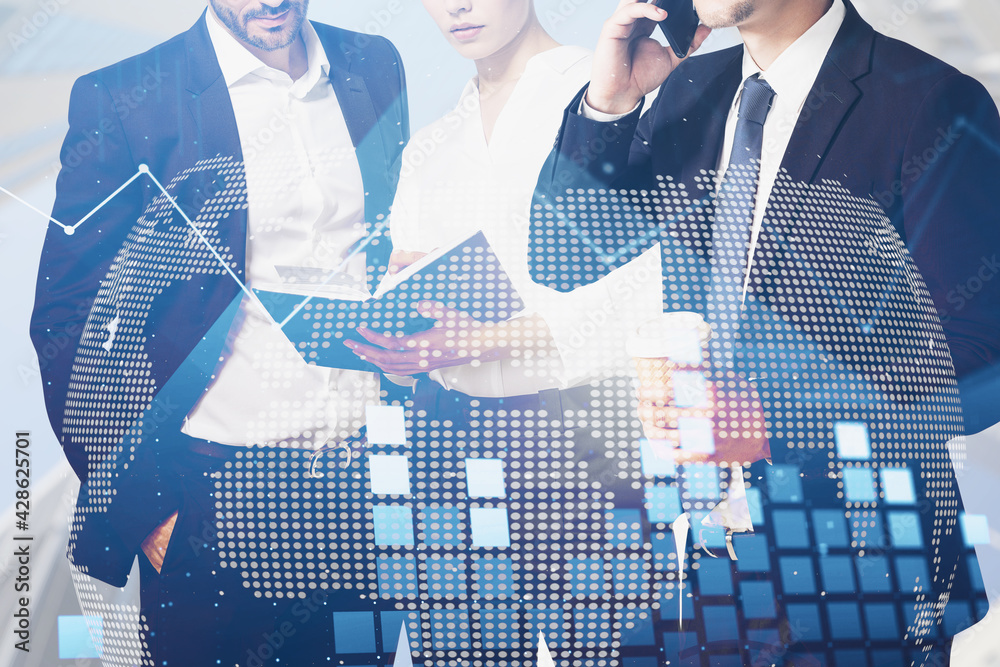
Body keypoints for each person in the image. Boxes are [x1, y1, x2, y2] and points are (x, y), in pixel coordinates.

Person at [529, 0, 1000, 664]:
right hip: (709, 550)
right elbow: (563, 255)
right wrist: (608, 106)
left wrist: (774, 419)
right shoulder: (688, 85)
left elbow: (983, 360)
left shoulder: (930, 101)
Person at [29, 1, 408, 664]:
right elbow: (65, 313)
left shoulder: (370, 64)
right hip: (212, 494)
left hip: (363, 485)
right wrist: (144, 507)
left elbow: (383, 239)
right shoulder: (126, 97)